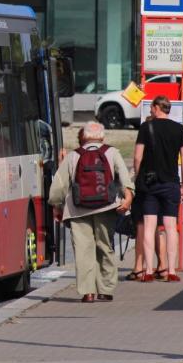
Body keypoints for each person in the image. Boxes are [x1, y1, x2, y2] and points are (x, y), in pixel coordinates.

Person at [49, 121, 134, 302]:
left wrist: (57, 206)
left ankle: (88, 292)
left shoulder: (73, 156)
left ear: (84, 136)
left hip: (78, 209)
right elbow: (125, 178)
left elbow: (59, 185)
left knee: (83, 249)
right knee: (105, 246)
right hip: (107, 207)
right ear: (102, 137)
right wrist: (127, 199)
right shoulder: (112, 152)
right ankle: (106, 289)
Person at [132, 95, 183, 283]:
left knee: (149, 226)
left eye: (151, 108)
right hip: (171, 183)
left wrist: (138, 176)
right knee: (171, 227)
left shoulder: (145, 128)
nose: (150, 111)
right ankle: (171, 270)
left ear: (157, 107)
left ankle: (148, 271)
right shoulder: (180, 129)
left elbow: (138, 157)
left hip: (149, 184)